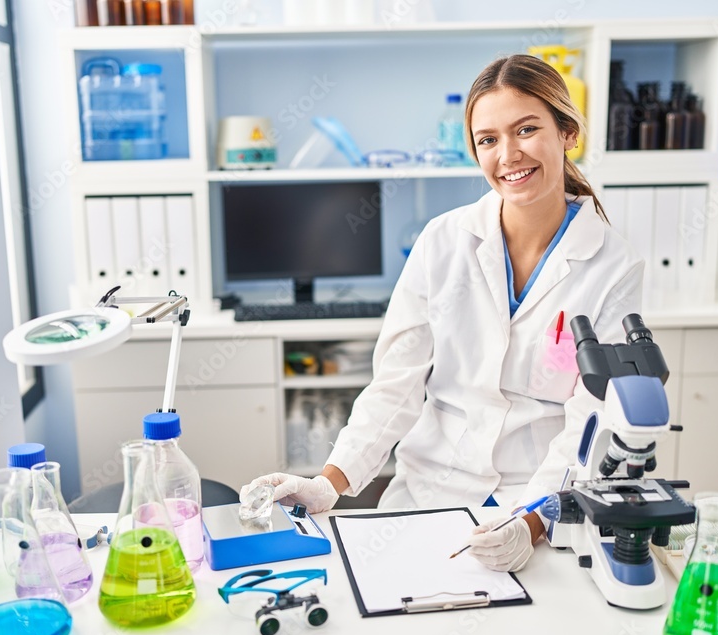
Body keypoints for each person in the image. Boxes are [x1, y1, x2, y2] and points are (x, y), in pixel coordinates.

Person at [242, 54, 643, 572]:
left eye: (526, 129)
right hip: (429, 488)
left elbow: (591, 417)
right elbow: (397, 383)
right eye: (488, 139)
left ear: (567, 132)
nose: (508, 154)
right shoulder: (444, 240)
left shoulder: (613, 263)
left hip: (540, 497)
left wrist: (535, 519)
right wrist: (329, 482)